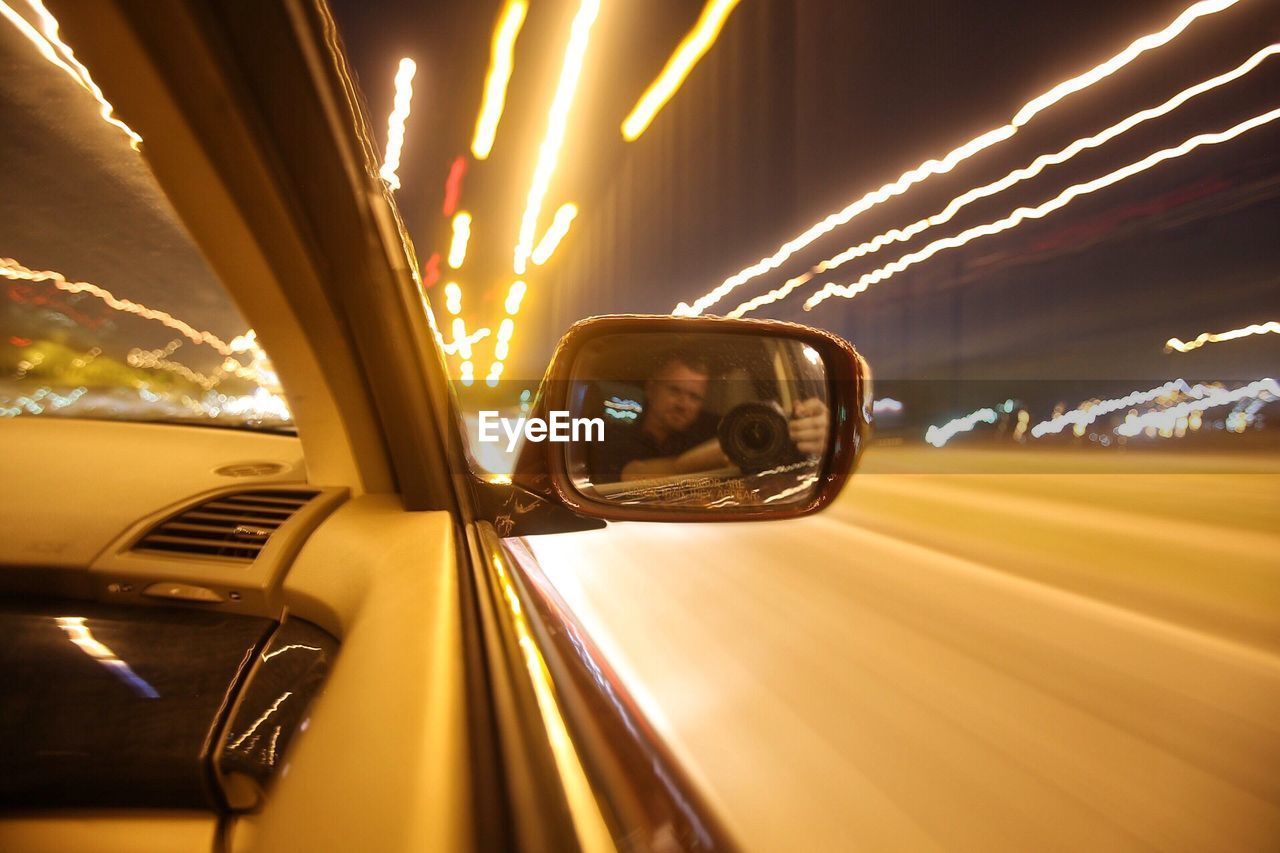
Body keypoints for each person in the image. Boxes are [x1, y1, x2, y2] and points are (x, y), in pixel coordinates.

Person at [589, 348, 829, 483]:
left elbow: (780, 453)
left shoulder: (722, 426)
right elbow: (633, 474)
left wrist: (809, 430)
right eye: (675, 391)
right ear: (651, 388)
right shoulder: (617, 434)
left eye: (695, 397)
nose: (684, 404)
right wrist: (728, 449)